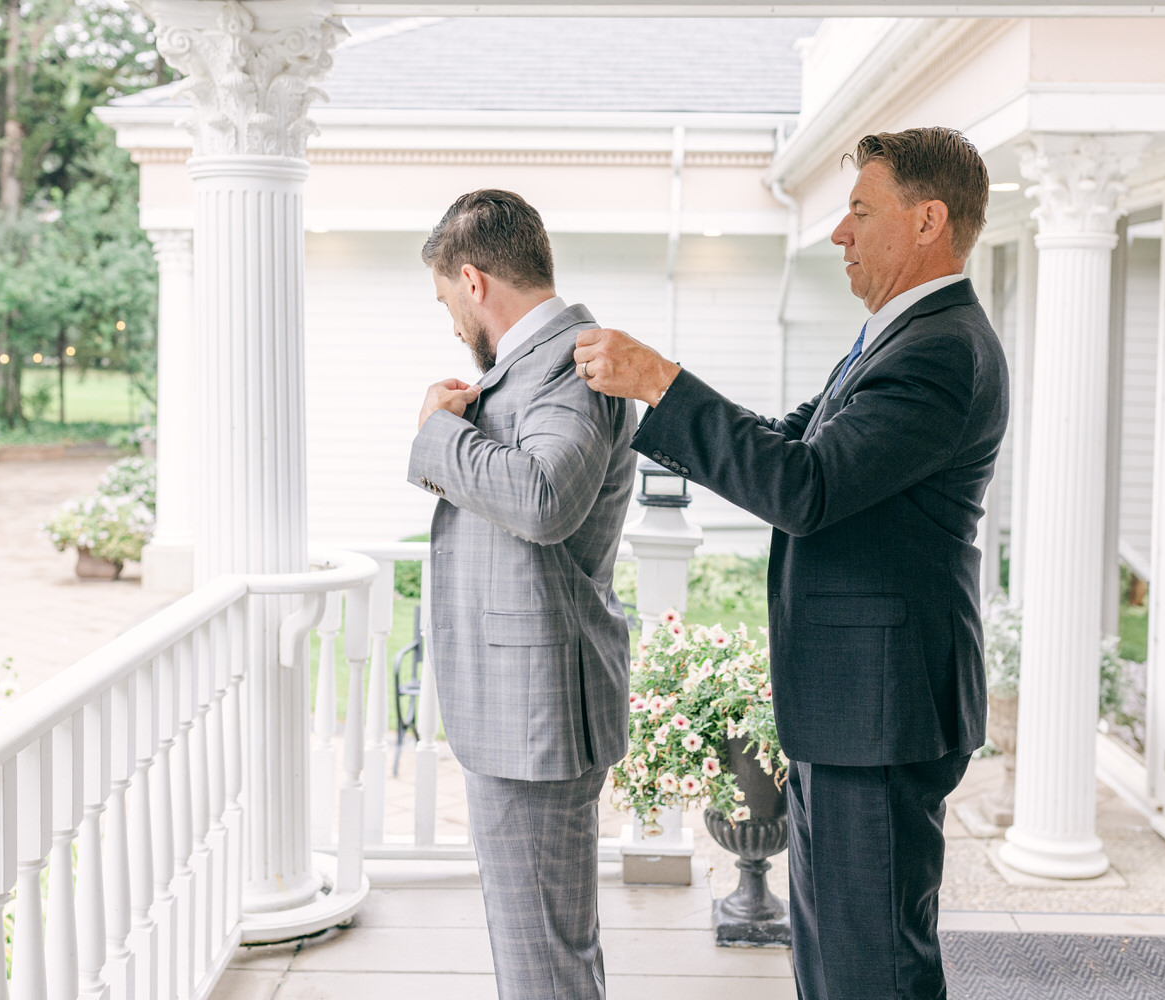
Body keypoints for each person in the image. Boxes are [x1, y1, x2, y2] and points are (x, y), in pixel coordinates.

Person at [572, 127, 1009, 1000]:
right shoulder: (892, 338)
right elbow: (786, 438)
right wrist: (654, 398)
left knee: (871, 970)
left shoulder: (938, 351)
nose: (839, 234)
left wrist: (662, 381)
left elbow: (803, 487)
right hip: (851, 710)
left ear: (929, 221)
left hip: (881, 717)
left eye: (858, 211)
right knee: (829, 962)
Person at [408, 189, 636, 1000]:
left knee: (543, 962)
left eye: (446, 301)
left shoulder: (573, 364)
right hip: (520, 705)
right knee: (538, 951)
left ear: (473, 281)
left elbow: (543, 499)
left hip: (534, 712)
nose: (450, 323)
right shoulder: (537, 367)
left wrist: (438, 434)